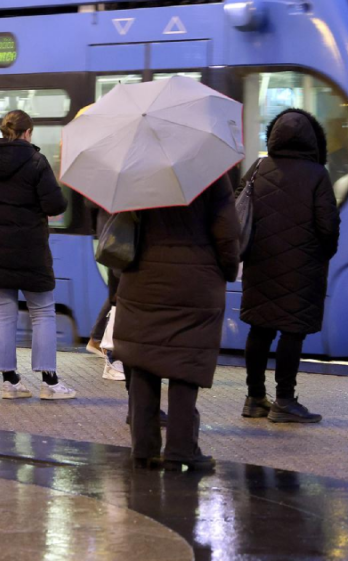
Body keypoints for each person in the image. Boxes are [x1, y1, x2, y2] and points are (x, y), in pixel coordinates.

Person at [113, 175, 240, 472]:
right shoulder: (210, 174)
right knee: (186, 364)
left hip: (142, 277)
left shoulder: (138, 173)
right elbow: (227, 234)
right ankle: (182, 449)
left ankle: (144, 449)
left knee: (143, 361)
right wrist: (228, 270)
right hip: (196, 281)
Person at [240, 109, 340, 423]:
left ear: (274, 137)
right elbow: (328, 228)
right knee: (292, 331)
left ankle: (254, 398)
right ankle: (285, 400)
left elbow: (238, 206)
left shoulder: (258, 167)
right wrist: (322, 254)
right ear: (313, 141)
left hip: (260, 263)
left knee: (260, 328)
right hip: (303, 267)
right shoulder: (317, 175)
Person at [0, 110, 76, 401]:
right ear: (28, 132)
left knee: (3, 314)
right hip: (30, 250)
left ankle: (10, 383)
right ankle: (50, 383)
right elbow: (55, 205)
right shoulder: (36, 161)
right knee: (42, 312)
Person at [87, 205, 126, 381]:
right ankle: (112, 356)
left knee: (118, 297)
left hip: (119, 242)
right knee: (119, 298)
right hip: (120, 244)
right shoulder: (115, 191)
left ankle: (100, 341)